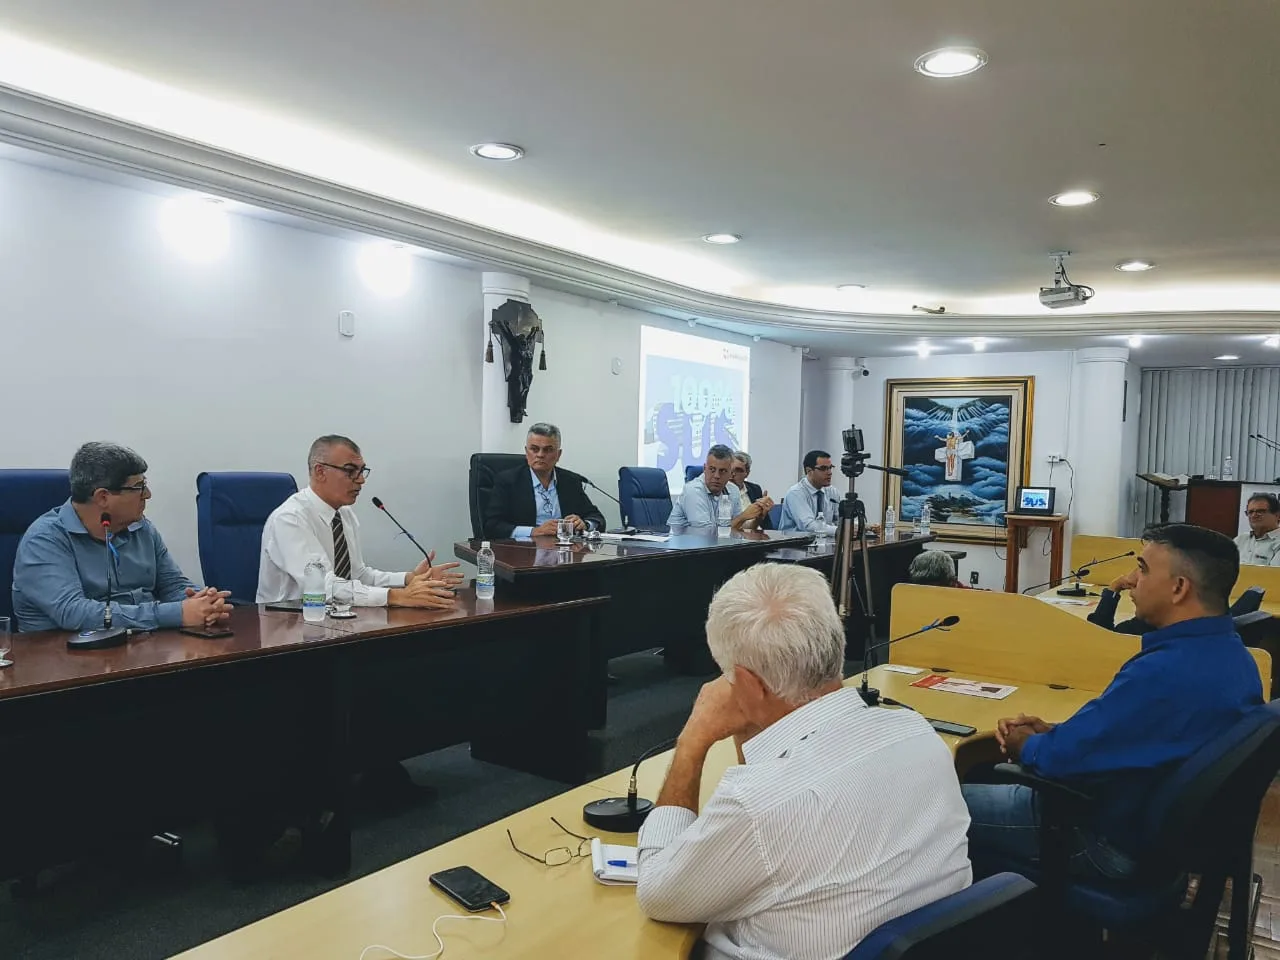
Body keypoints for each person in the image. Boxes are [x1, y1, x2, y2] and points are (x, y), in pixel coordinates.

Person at [636, 564, 971, 959]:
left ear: (746, 684)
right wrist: (753, 718)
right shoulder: (916, 731)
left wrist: (692, 741)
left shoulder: (758, 807)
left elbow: (659, 892)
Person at [963, 524, 1264, 881]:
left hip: (1099, 837)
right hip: (1157, 835)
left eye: (1144, 568)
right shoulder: (1233, 657)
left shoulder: (1163, 671)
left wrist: (1023, 742)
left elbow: (1059, 760)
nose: (1134, 579)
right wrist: (1055, 731)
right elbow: (1133, 733)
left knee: (928, 809)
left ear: (1179, 588)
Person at [13, 442, 230, 632]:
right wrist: (176, 614)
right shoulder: (44, 540)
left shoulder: (141, 528)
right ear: (103, 497)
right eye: (139, 487)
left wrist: (204, 604)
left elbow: (172, 585)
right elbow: (75, 613)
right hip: (62, 663)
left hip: (138, 651)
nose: (148, 495)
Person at [257, 435, 461, 607]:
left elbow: (357, 575)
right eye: (350, 471)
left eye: (362, 471)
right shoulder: (290, 519)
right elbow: (323, 586)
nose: (361, 479)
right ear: (320, 471)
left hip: (334, 620)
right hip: (285, 627)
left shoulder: (344, 513)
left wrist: (409, 579)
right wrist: (395, 596)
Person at [483, 423, 606, 539]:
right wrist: (535, 531)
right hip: (525, 553)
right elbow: (492, 526)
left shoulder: (571, 481)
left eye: (548, 450)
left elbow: (597, 518)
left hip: (566, 552)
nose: (540, 455)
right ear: (526, 452)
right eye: (534, 449)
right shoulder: (508, 481)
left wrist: (585, 524)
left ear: (558, 455)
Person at [668, 444, 772, 530]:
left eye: (722, 471)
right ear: (705, 469)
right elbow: (707, 534)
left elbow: (739, 527)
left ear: (731, 473)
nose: (717, 476)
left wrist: (758, 517)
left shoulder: (733, 490)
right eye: (712, 469)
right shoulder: (692, 491)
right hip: (681, 550)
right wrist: (743, 516)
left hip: (715, 550)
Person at [778, 450, 838, 534]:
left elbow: (839, 520)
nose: (829, 473)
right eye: (823, 468)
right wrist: (841, 531)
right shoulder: (796, 493)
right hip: (795, 545)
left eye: (830, 467)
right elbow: (809, 526)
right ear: (809, 471)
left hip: (824, 541)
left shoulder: (832, 491)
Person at [729, 450, 772, 529]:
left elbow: (766, 526)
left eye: (738, 470)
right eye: (730, 469)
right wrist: (744, 516)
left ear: (747, 473)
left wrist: (761, 516)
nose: (733, 474)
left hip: (757, 535)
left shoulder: (755, 489)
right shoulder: (721, 492)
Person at [1237, 493, 1280, 566]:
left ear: (1277, 515)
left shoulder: (1278, 543)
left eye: (1260, 511)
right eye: (1250, 512)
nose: (1254, 515)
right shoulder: (1240, 540)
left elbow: (1273, 575)